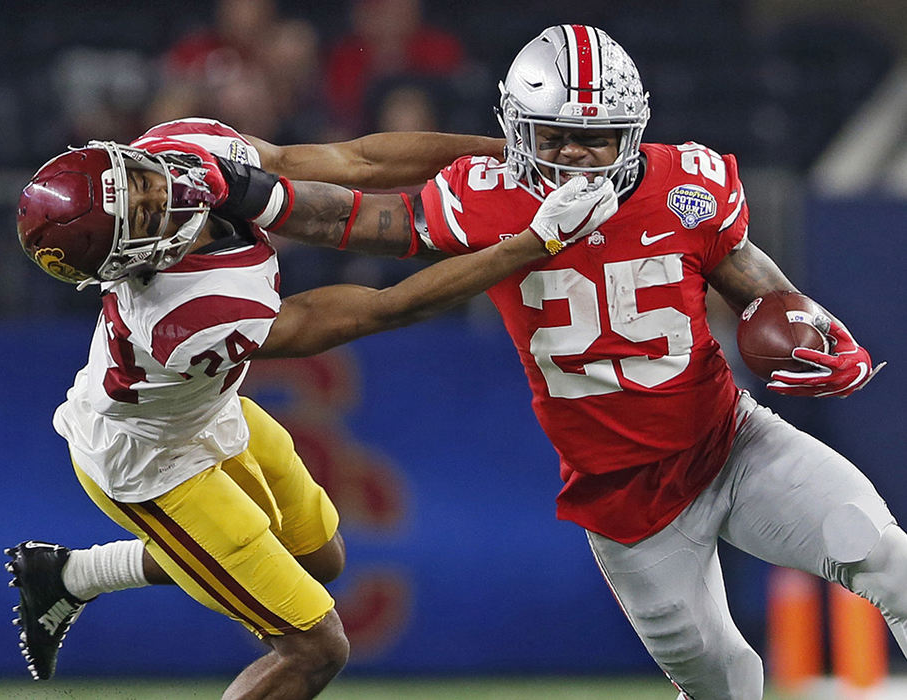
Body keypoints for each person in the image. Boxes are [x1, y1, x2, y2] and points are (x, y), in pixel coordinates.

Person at [258, 25, 904, 700]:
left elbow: (753, 278)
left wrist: (822, 330)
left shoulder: (687, 183)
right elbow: (352, 219)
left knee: (886, 556)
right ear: (515, 130)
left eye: (592, 137)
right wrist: (252, 194)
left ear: (630, 133)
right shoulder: (488, 197)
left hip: (732, 443)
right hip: (624, 502)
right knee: (725, 684)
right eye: (552, 136)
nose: (571, 156)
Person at [6, 116, 615, 699]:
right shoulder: (182, 314)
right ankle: (67, 578)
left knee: (321, 557)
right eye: (141, 213)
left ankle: (69, 576)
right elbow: (385, 307)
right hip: (150, 466)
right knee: (316, 648)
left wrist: (515, 155)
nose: (162, 193)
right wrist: (537, 241)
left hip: (211, 411)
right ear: (131, 263)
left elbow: (353, 159)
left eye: (140, 179)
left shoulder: (182, 146)